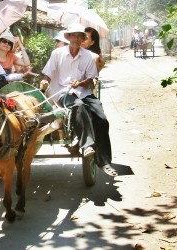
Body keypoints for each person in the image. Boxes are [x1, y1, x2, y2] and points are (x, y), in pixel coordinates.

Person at [40, 23, 117, 176]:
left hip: (83, 91)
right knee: (78, 106)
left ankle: (104, 162)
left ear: (83, 39)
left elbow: (90, 80)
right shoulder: (57, 53)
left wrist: (80, 83)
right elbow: (48, 74)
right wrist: (45, 81)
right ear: (67, 37)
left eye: (79, 36)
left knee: (101, 118)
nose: (76, 38)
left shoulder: (88, 56)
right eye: (73, 35)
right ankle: (87, 145)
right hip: (62, 92)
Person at [81, 27, 105, 97]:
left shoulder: (94, 58)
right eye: (82, 37)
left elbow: (94, 80)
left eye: (86, 38)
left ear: (92, 42)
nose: (82, 40)